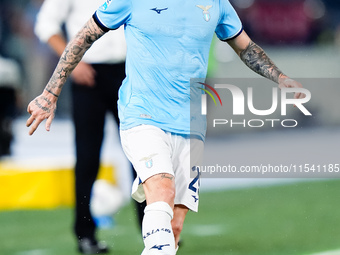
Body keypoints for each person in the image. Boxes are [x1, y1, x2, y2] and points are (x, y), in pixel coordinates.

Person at [26, 0, 305, 254]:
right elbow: (83, 36)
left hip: (190, 122)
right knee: (161, 187)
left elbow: (245, 47)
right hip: (142, 114)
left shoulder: (217, 4)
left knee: (173, 226)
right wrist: (50, 93)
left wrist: (280, 78)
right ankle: (85, 233)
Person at [34, 0, 145, 253]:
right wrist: (73, 63)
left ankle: (154, 228)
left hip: (131, 71)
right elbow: (45, 24)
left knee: (143, 151)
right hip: (86, 71)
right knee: (87, 157)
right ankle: (85, 236)